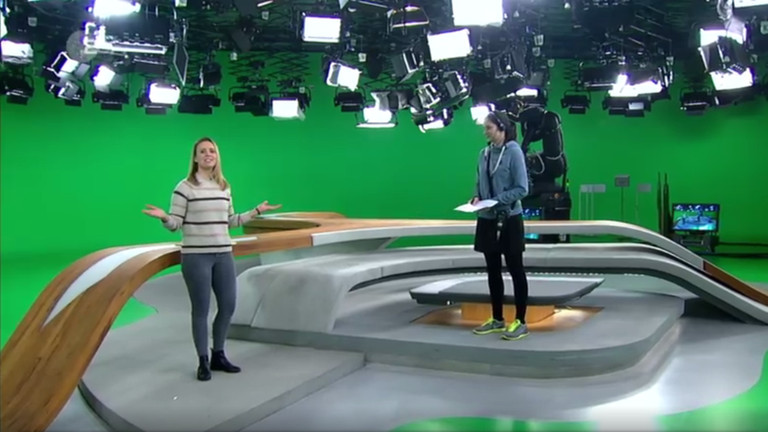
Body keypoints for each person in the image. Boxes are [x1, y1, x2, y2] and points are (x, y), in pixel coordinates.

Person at [142, 137, 282, 381]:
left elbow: (231, 221)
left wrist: (257, 211)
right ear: (195, 158)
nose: (208, 154)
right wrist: (164, 217)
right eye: (203, 151)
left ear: (217, 157)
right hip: (196, 256)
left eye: (212, 151)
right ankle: (203, 361)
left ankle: (218, 354)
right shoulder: (184, 187)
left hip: (223, 254)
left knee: (228, 306)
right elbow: (176, 224)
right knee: (201, 310)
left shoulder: (223, 187)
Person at [470, 110, 531, 341]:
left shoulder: (514, 151)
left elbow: (522, 188)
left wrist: (497, 200)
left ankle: (521, 321)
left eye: (489, 128)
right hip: (487, 218)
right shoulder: (484, 153)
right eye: (484, 128)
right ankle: (497, 318)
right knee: (492, 270)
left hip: (509, 219)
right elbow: (479, 181)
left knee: (516, 269)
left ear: (502, 128)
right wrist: (477, 198)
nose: (485, 132)